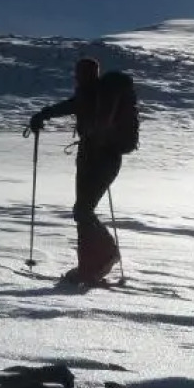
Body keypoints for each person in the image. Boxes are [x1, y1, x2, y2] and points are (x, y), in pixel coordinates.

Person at [27, 56, 127, 284]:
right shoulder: (96, 95)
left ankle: (102, 257)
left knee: (82, 211)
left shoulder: (93, 95)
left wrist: (42, 115)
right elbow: (71, 106)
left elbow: (72, 107)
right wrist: (44, 114)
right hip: (101, 158)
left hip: (97, 158)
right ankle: (93, 263)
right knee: (83, 211)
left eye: (79, 74)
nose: (77, 78)